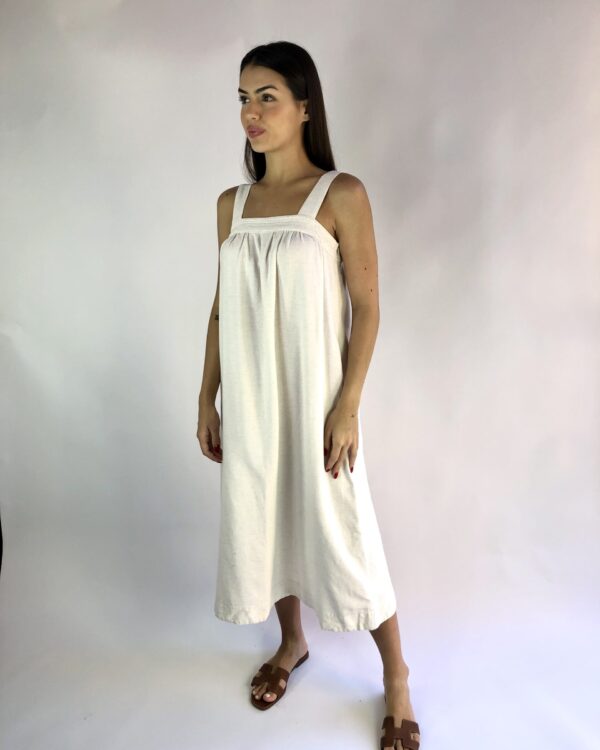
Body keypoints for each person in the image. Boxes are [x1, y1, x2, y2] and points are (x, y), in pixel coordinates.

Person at [197, 41, 420, 750]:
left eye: (267, 97)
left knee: (346, 530)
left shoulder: (340, 194)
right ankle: (291, 642)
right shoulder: (232, 205)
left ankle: (397, 677)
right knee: (265, 517)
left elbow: (368, 307)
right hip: (253, 399)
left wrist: (347, 405)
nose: (252, 113)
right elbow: (222, 308)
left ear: (304, 108)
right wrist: (207, 397)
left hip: (318, 399)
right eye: (243, 98)